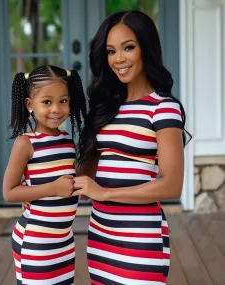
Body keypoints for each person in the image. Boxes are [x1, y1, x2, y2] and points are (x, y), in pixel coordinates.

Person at [73, 10, 191, 285]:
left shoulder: (163, 108)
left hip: (140, 237)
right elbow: (86, 179)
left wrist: (105, 193)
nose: (119, 59)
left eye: (129, 47)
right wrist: (40, 191)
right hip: (101, 235)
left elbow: (172, 185)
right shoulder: (106, 108)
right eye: (111, 51)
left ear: (146, 49)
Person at [2, 65, 87, 285]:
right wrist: (53, 189)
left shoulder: (67, 140)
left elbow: (59, 175)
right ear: (30, 104)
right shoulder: (26, 143)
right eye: (47, 102)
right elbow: (9, 192)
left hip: (64, 238)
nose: (56, 109)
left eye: (63, 101)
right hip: (36, 240)